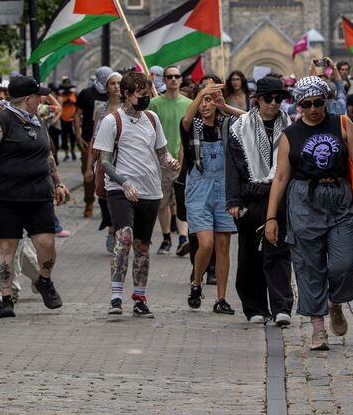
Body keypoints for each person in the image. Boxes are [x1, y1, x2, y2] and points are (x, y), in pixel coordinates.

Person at [265, 76, 353, 352]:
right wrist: (271, 217)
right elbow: (280, 178)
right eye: (307, 104)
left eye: (318, 102)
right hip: (304, 201)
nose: (313, 109)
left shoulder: (342, 123)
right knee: (309, 266)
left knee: (345, 263)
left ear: (325, 101)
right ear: (299, 105)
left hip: (339, 198)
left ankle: (335, 302)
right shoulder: (290, 135)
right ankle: (318, 329)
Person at [0, 76, 69, 318]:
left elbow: (48, 155)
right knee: (7, 247)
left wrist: (57, 183)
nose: (41, 100)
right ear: (28, 99)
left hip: (38, 195)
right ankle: (7, 297)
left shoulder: (38, 122)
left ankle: (44, 281)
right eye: (38, 96)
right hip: (6, 197)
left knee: (46, 244)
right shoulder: (1, 122)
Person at [94, 70, 180, 318]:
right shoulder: (112, 121)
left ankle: (140, 298)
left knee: (142, 245)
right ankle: (116, 296)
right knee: (124, 238)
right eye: (141, 94)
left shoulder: (152, 118)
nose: (146, 99)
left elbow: (162, 152)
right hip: (120, 190)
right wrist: (123, 182)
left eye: (148, 94)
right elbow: (104, 161)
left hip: (150, 190)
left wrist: (170, 161)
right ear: (127, 94)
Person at [225, 75, 294, 325]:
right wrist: (234, 200)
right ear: (257, 100)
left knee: (279, 251)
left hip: (280, 195)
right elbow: (232, 167)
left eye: (278, 99)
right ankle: (255, 307)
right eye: (268, 98)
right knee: (250, 254)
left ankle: (281, 306)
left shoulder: (289, 127)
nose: (273, 103)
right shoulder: (239, 128)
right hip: (251, 197)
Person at [181, 81, 246, 313]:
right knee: (206, 243)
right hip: (199, 190)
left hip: (224, 189)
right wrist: (201, 94)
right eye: (202, 100)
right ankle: (196, 282)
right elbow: (185, 120)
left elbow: (250, 119)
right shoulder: (192, 126)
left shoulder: (227, 125)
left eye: (209, 100)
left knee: (223, 246)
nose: (205, 105)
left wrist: (225, 107)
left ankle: (221, 299)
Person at [0, 85, 40, 303]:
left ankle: (8, 287)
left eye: (7, 98)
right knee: (7, 242)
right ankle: (39, 277)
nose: (2, 102)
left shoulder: (27, 124)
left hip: (24, 192)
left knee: (14, 242)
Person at [149, 65, 192, 255]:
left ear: (181, 79)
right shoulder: (154, 104)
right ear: (164, 80)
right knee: (163, 202)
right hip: (161, 162)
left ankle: (183, 239)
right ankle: (166, 238)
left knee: (181, 201)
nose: (173, 79)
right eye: (169, 76)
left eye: (176, 76)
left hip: (183, 161)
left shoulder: (190, 104)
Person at [87, 71, 122, 250]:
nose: (116, 86)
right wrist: (88, 166)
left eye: (119, 83)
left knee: (120, 194)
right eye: (112, 83)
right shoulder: (100, 110)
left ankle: (119, 229)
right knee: (104, 193)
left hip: (124, 159)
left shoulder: (129, 108)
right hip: (104, 159)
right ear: (107, 87)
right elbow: (94, 139)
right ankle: (111, 228)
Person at [76, 67, 113, 218]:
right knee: (88, 169)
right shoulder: (86, 94)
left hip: (109, 142)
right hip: (89, 139)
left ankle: (107, 202)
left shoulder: (114, 95)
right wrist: (78, 135)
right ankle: (89, 201)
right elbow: (77, 114)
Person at [58, 79, 79, 162]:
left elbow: (78, 105)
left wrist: (72, 102)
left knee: (72, 137)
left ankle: (72, 151)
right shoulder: (61, 96)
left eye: (68, 87)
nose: (67, 89)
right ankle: (66, 153)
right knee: (64, 137)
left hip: (72, 119)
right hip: (63, 119)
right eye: (65, 88)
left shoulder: (74, 95)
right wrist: (65, 102)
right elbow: (59, 105)